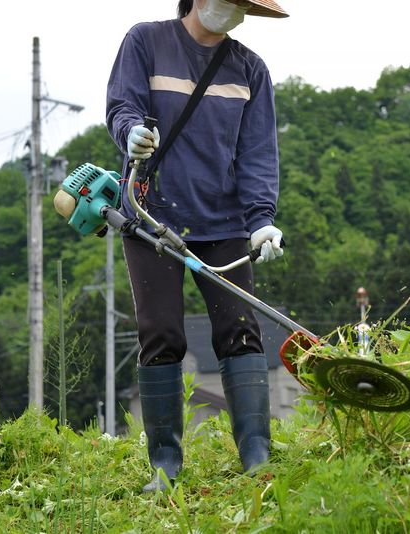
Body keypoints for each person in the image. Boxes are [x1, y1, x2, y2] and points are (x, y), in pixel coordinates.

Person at [106, 0, 288, 492]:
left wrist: (261, 221)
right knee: (160, 332)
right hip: (151, 213)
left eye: (243, 6)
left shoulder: (250, 68)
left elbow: (257, 152)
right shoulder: (146, 40)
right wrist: (132, 134)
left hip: (225, 221)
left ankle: (256, 456)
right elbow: (121, 106)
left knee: (240, 330)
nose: (234, 11)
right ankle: (164, 465)